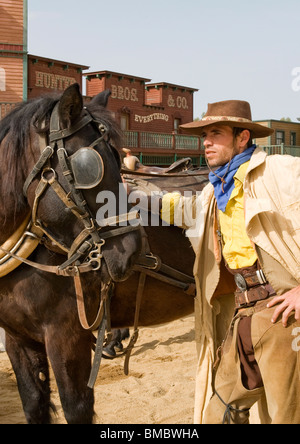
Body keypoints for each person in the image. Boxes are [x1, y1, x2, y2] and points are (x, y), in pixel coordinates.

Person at [159, 100, 300, 424]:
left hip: (287, 322)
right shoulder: (215, 191)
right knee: (217, 413)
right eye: (205, 134)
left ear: (242, 137)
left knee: (286, 418)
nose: (206, 142)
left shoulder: (281, 171)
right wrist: (128, 195)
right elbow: (183, 209)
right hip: (244, 317)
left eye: (216, 134)